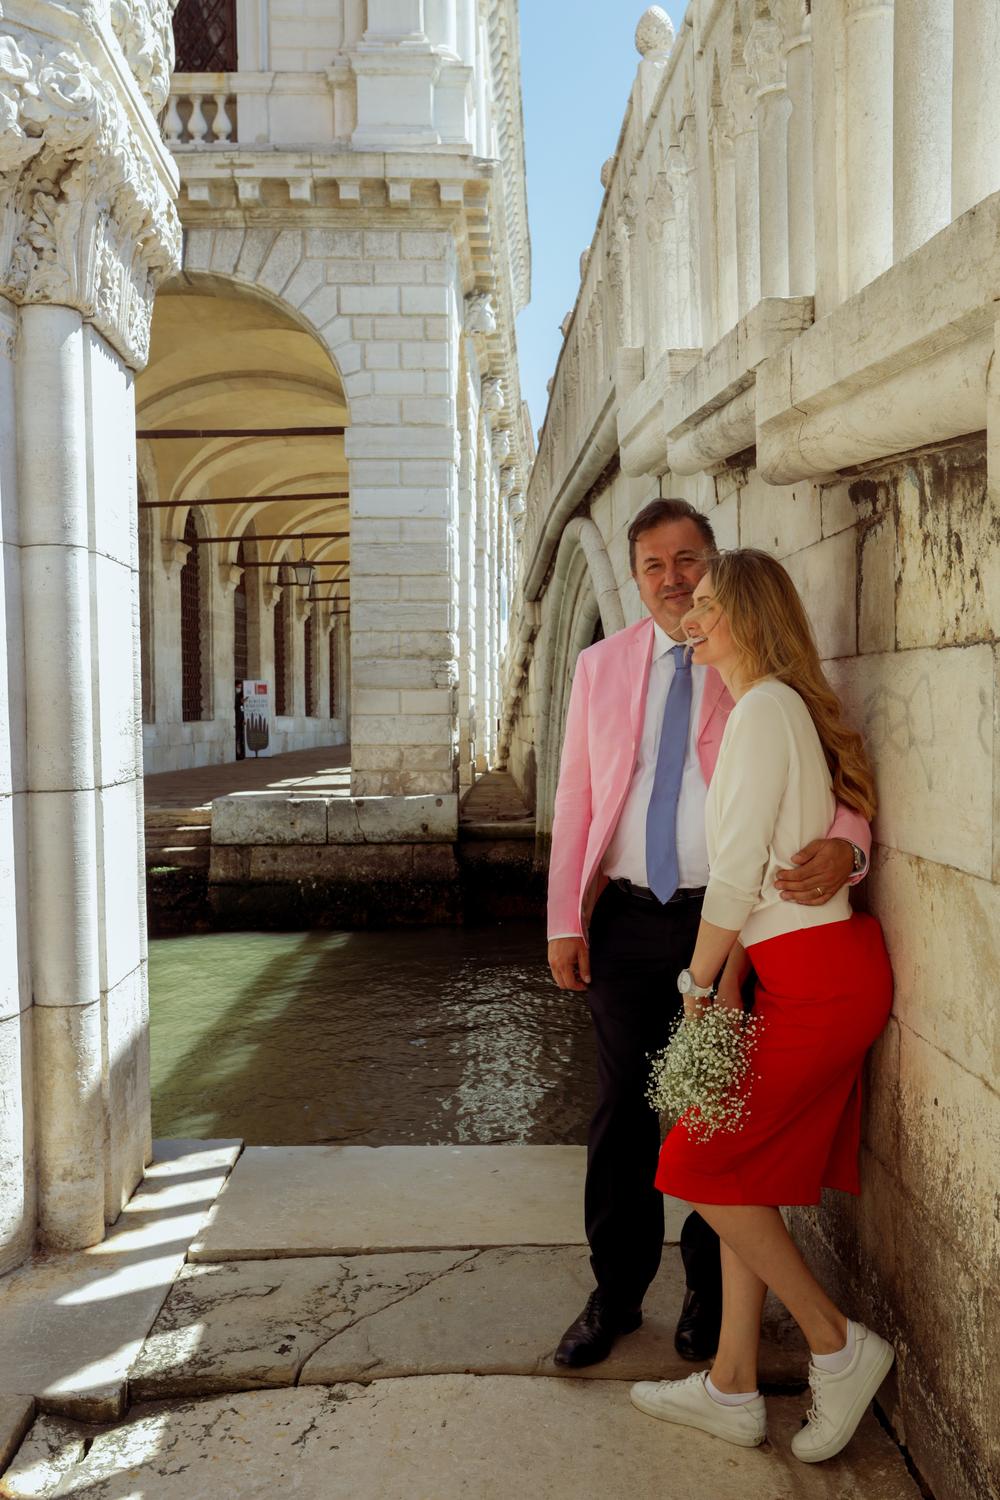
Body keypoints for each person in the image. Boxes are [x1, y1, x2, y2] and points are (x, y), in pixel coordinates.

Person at [548, 499, 871, 1370]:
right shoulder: (599, 666)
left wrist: (850, 847)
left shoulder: (755, 671)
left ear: (715, 567)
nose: (673, 580)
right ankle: (614, 1293)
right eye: (654, 565)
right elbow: (576, 796)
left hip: (723, 927)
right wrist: (562, 920)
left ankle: (708, 1300)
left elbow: (831, 769)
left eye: (689, 561)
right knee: (622, 1109)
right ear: (633, 576)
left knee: (710, 1107)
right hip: (622, 914)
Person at [629, 548, 894, 1463]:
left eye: (706, 602)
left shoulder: (761, 710)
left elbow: (736, 876)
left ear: (746, 614)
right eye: (685, 602)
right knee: (741, 1171)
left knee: (692, 1163)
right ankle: (731, 1387)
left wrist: (699, 984)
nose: (689, 615)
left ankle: (836, 1343)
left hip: (817, 982)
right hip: (811, 974)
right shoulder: (770, 709)